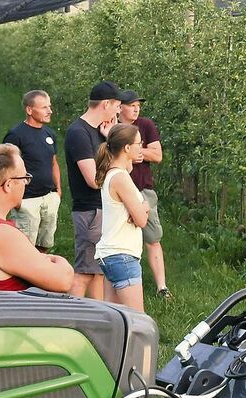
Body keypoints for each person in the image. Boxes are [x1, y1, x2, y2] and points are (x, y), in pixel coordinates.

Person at [0, 144, 74, 292]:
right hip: (2, 308)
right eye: (24, 178)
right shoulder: (0, 234)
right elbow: (63, 281)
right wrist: (58, 261)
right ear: (8, 185)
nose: (26, 184)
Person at [66, 81, 125, 300]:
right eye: (117, 106)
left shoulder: (101, 132)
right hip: (90, 211)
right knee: (84, 272)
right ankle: (70, 314)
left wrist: (110, 138)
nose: (118, 112)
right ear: (106, 104)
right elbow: (93, 179)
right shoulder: (79, 133)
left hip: (102, 208)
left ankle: (96, 313)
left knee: (98, 273)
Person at [119, 90, 170, 298]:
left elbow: (157, 155)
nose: (136, 109)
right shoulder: (112, 127)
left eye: (138, 105)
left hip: (143, 190)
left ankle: (162, 287)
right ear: (120, 107)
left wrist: (135, 152)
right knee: (122, 238)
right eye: (131, 105)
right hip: (119, 192)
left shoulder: (145, 125)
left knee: (153, 237)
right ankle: (125, 283)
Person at [94, 124, 151, 312]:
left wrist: (140, 210)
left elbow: (137, 215)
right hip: (122, 256)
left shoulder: (113, 173)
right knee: (138, 320)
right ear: (126, 148)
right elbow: (141, 220)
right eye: (138, 143)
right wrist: (145, 206)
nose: (141, 147)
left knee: (114, 319)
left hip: (111, 255)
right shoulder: (120, 178)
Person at [3, 90, 62, 254]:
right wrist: (15, 199)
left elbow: (53, 162)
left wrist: (57, 190)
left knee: (45, 243)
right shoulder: (16, 135)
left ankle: (39, 269)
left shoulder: (49, 134)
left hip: (49, 197)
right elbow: (6, 169)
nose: (50, 111)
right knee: (24, 248)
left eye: (49, 106)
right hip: (27, 199)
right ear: (29, 110)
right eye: (44, 108)